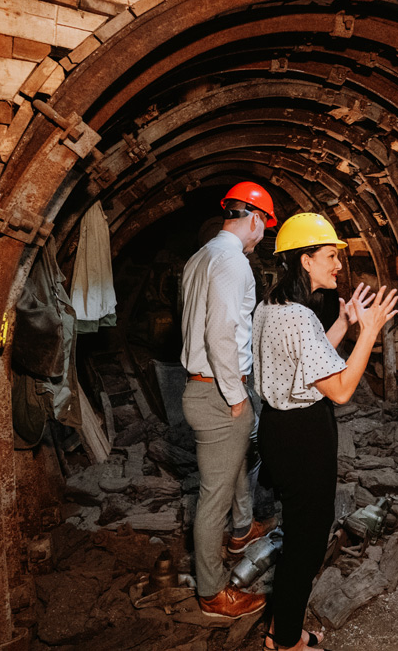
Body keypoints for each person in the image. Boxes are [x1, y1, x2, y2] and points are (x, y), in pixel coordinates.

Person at [254, 212, 398, 651]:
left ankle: (280, 627)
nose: (338, 265)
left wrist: (345, 324)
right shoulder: (297, 315)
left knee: (297, 533)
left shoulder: (274, 306)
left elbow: (307, 359)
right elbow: (338, 390)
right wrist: (370, 333)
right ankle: (287, 641)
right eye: (330, 256)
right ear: (304, 260)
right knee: (307, 542)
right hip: (304, 437)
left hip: (278, 431)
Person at [180, 181, 278, 619]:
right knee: (212, 496)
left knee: (236, 464)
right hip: (218, 389)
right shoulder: (233, 262)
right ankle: (213, 592)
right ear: (254, 219)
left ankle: (242, 531)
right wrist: (237, 396)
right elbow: (220, 332)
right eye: (264, 227)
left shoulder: (201, 256)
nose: (262, 237)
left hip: (204, 385)